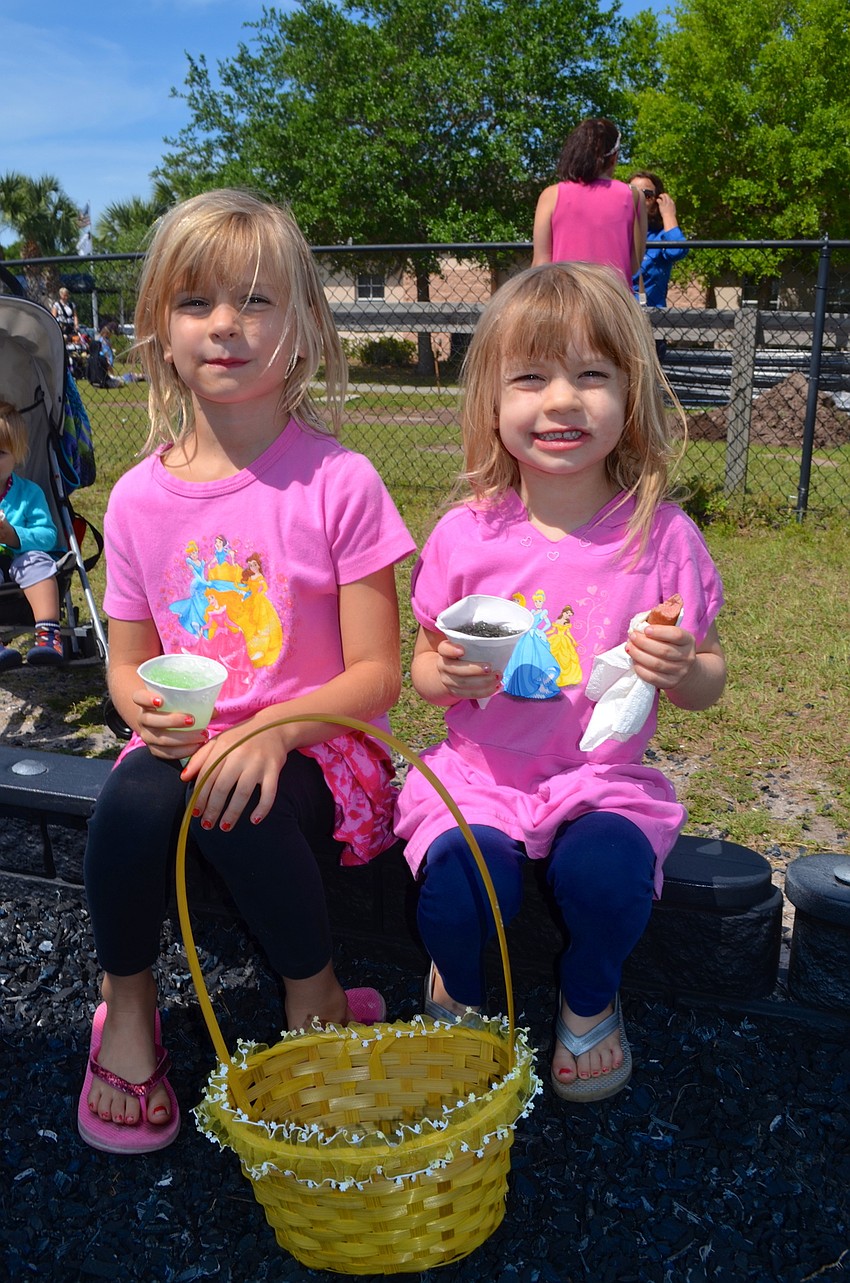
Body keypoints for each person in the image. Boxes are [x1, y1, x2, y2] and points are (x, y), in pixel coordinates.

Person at [78, 188, 416, 1154]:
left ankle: (313, 995)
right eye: (195, 303)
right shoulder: (140, 498)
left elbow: (376, 675)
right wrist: (143, 704)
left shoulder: (338, 481)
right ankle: (127, 1009)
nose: (224, 324)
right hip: (185, 752)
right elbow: (128, 664)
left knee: (244, 796)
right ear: (158, 333)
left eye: (256, 300)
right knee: (135, 797)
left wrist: (268, 731)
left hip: (314, 750)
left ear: (304, 329)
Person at [394, 262, 726, 1103]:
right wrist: (451, 673)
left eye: (592, 375)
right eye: (531, 377)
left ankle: (587, 1001)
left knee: (608, 879)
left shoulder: (663, 537)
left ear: (631, 391)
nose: (562, 401)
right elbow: (424, 669)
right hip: (481, 777)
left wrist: (684, 667)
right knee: (466, 888)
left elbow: (710, 676)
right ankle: (458, 992)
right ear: (493, 402)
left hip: (601, 781)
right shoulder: (468, 533)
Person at [532, 118, 647, 286]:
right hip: (614, 302)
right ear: (614, 157)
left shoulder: (551, 195)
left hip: (565, 302)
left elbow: (540, 264)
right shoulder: (633, 196)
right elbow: (634, 265)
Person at [0, 400, 66, 670]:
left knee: (37, 561)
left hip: (19, 560)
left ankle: (48, 635)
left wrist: (14, 535)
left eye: (0, 453)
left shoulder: (29, 494)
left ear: (18, 455)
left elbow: (48, 535)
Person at [628, 172, 689, 309]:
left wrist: (668, 215)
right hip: (617, 315)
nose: (638, 198)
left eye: (647, 195)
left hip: (651, 314)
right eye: (632, 192)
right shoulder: (616, 232)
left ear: (656, 202)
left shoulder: (661, 235)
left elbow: (677, 251)